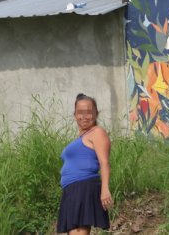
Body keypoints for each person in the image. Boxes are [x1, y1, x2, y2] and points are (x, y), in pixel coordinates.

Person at [57, 93, 112, 235]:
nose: (84, 116)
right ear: (74, 115)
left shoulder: (97, 132)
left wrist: (105, 189)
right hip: (73, 189)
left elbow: (104, 162)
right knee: (74, 231)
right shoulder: (83, 137)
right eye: (80, 112)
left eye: (89, 112)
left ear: (96, 114)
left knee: (79, 230)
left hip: (83, 186)